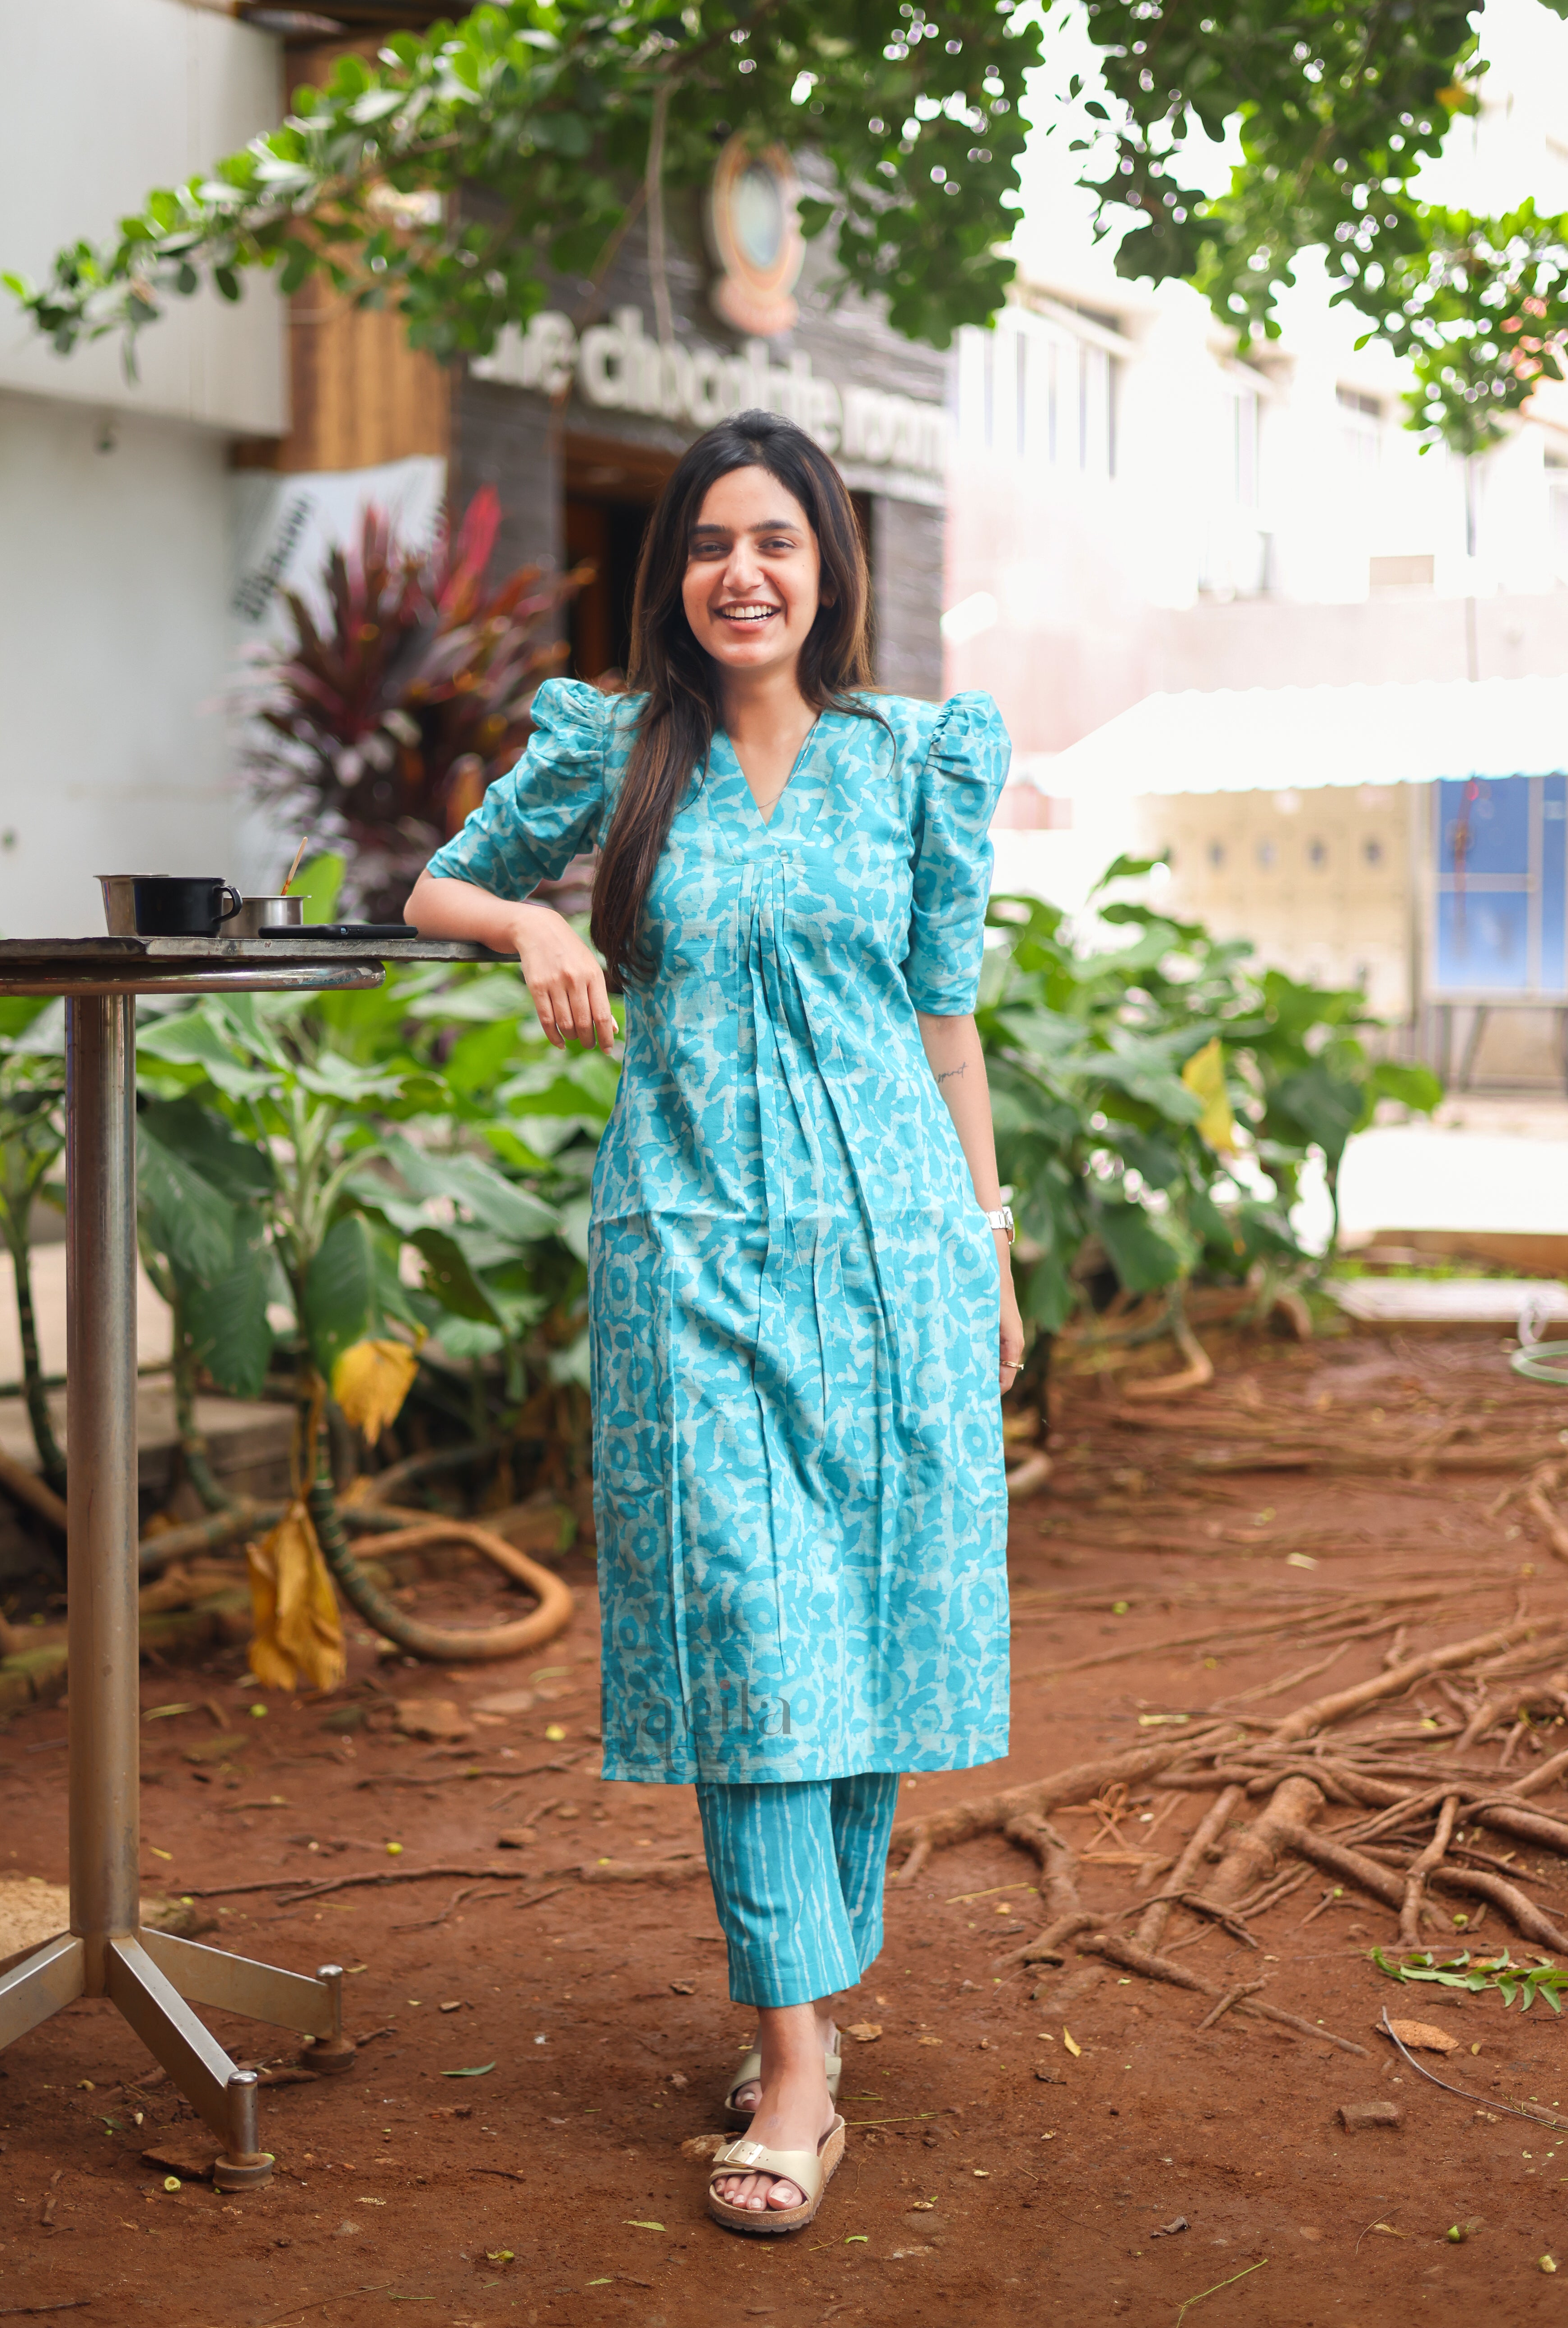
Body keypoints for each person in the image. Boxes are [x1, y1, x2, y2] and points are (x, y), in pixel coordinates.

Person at [406, 409, 1022, 2236]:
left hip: (895, 1244)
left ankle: (800, 1990)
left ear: (827, 564)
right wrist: (530, 922)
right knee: (755, 1636)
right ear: (671, 573)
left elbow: (945, 1021)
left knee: (863, 1634)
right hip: (694, 1250)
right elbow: (438, 878)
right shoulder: (616, 748)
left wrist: (984, 1242)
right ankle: (794, 2061)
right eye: (704, 543)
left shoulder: (913, 757)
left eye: (774, 539)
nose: (736, 571)